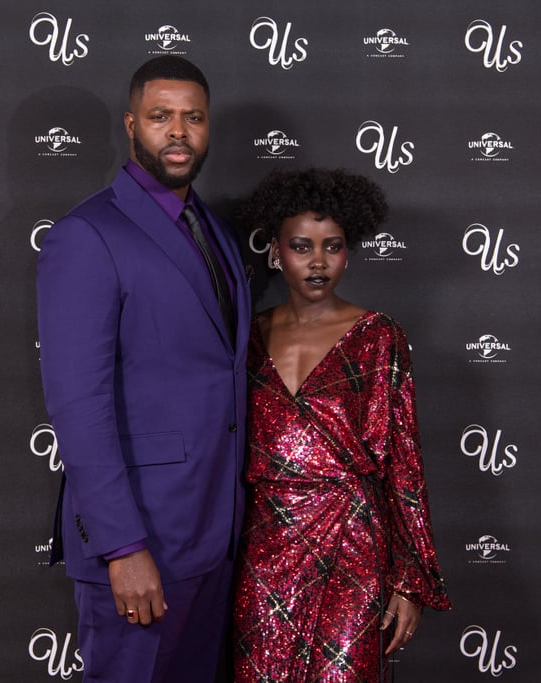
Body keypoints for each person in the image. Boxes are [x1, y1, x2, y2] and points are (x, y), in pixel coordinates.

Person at [36, 56, 250, 683]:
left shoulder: (214, 229)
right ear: (132, 125)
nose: (178, 132)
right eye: (161, 117)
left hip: (218, 535)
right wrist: (122, 548)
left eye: (193, 118)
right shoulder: (87, 235)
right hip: (144, 542)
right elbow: (79, 407)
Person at [233, 168, 451, 682]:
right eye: (301, 246)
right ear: (276, 251)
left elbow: (404, 464)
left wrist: (408, 580)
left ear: (348, 251)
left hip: (352, 543)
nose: (317, 261)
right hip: (265, 544)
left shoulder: (379, 338)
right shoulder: (246, 337)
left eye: (332, 246)